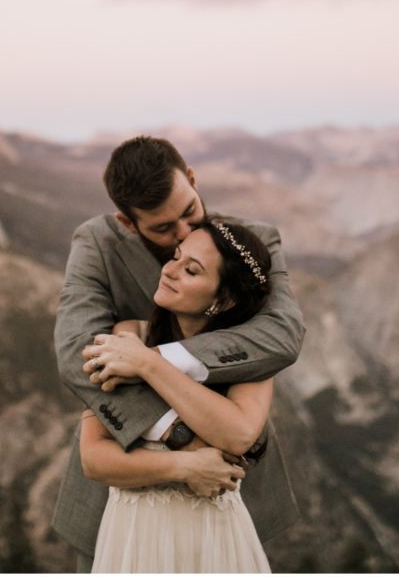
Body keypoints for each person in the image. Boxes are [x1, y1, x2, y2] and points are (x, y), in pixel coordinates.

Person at [51, 136, 304, 571]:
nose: (184, 234)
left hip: (228, 485)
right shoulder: (95, 244)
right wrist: (178, 438)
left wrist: (154, 361)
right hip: (125, 494)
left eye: (189, 211)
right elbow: (78, 352)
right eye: (164, 230)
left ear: (191, 179)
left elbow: (281, 335)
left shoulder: (253, 243)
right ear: (128, 223)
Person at [80, 218, 275, 572]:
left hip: (210, 540)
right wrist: (185, 466)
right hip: (133, 537)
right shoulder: (129, 335)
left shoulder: (251, 363)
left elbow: (238, 434)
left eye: (191, 270)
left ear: (224, 299)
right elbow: (93, 457)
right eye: (176, 256)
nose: (169, 270)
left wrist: (148, 364)